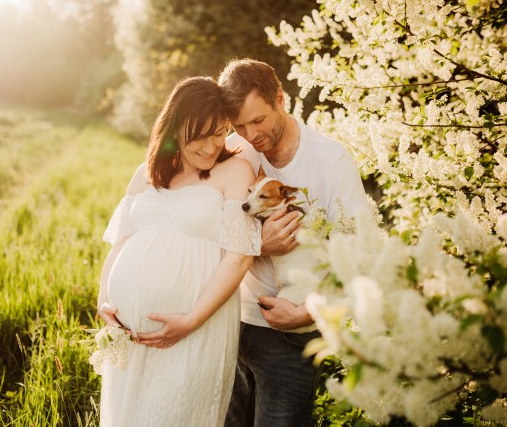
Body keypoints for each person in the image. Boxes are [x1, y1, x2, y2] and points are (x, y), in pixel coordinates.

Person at [95, 76, 262, 427]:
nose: (211, 145)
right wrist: (104, 300)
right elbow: (121, 243)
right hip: (128, 335)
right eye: (199, 135)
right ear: (174, 127)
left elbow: (240, 255)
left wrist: (190, 320)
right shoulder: (144, 174)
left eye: (219, 132)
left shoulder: (234, 171)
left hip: (195, 328)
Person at [218, 59, 368, 427]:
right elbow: (202, 228)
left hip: (289, 337)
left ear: (280, 100)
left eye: (258, 121)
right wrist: (258, 243)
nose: (250, 135)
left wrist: (305, 314)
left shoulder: (331, 162)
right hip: (228, 321)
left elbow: (361, 260)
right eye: (239, 125)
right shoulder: (232, 151)